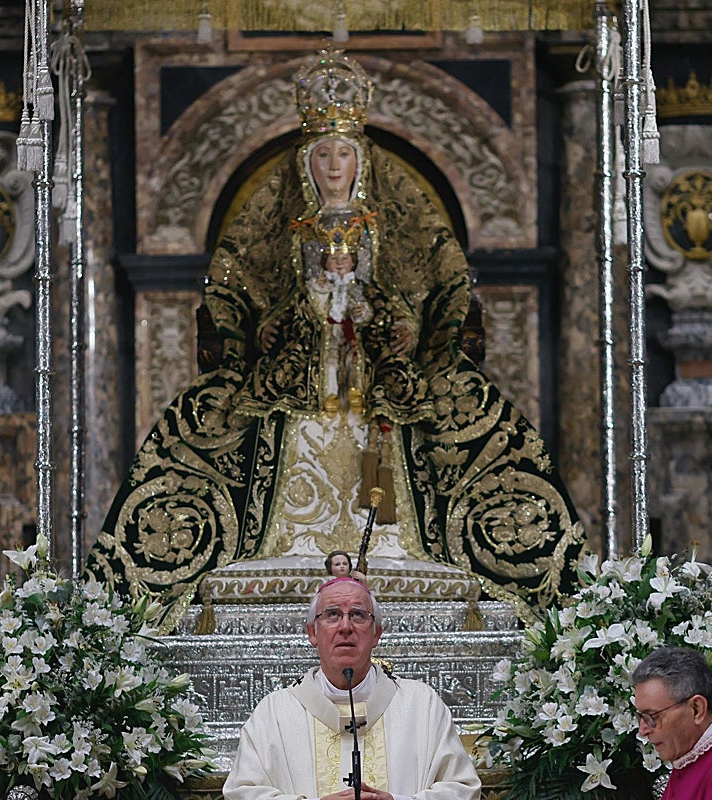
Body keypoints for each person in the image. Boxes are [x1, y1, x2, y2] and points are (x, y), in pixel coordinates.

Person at [85, 49, 586, 632]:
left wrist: (384, 315)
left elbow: (420, 294)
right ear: (306, 163)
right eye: (322, 155)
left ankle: (388, 536)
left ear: (359, 162)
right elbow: (249, 291)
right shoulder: (284, 231)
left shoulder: (387, 227)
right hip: (303, 375)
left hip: (373, 382)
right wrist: (294, 311)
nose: (332, 166)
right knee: (254, 428)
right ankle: (295, 534)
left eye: (343, 154)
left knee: (396, 438)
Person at [222, 576, 482, 800]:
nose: (345, 627)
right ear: (312, 632)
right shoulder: (275, 713)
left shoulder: (421, 705)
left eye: (358, 615)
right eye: (332, 614)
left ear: (376, 633)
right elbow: (240, 793)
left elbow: (464, 789)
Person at [632, 646, 712, 799]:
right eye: (641, 717)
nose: (643, 730)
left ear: (696, 709)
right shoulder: (689, 754)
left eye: (652, 716)